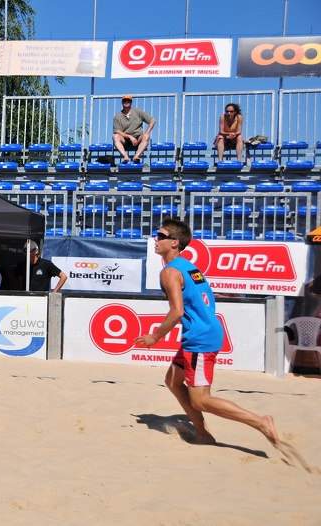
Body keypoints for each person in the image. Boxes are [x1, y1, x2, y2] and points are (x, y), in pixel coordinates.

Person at [133, 219, 280, 447]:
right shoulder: (188, 266)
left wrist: (155, 336)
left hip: (199, 339)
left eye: (161, 236)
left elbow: (176, 311)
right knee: (172, 381)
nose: (156, 239)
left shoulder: (170, 272)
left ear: (175, 242)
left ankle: (260, 422)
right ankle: (203, 434)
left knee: (201, 400)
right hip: (202, 333)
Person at [112, 94, 156, 164]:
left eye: (128, 100)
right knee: (115, 136)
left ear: (131, 102)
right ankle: (125, 156)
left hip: (138, 138)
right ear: (122, 102)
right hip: (125, 140)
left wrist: (147, 132)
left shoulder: (138, 112)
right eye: (124, 100)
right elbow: (117, 131)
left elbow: (152, 120)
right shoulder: (117, 116)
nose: (126, 102)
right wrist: (130, 137)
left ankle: (137, 156)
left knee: (146, 136)